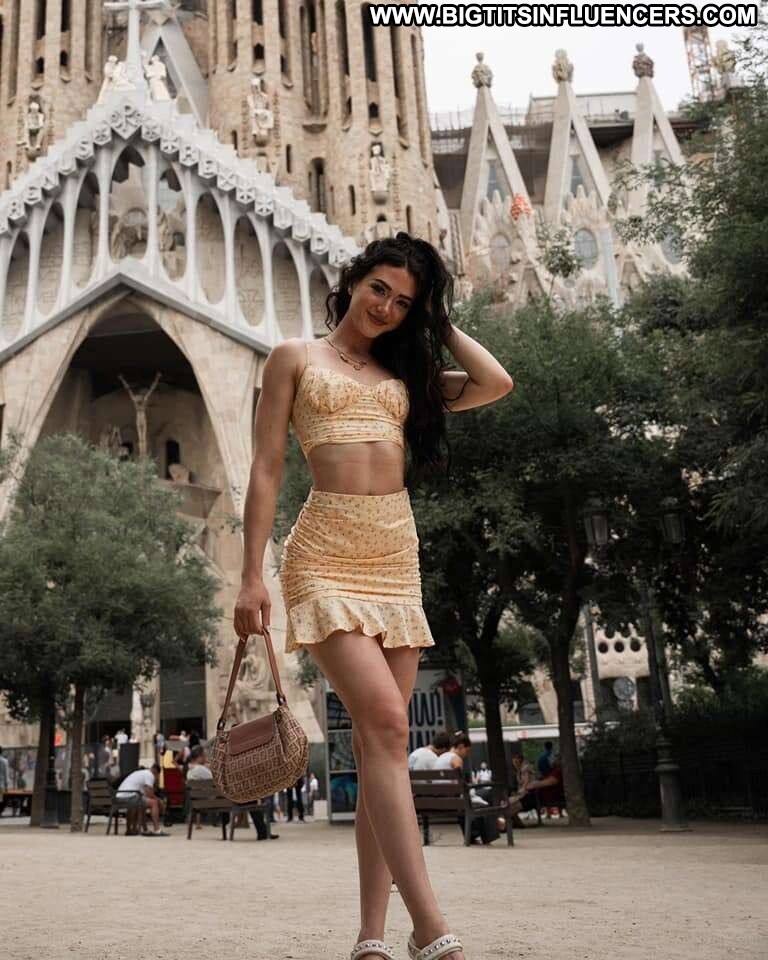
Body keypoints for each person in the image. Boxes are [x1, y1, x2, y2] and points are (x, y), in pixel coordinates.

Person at [234, 232, 513, 960]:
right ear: (353, 281)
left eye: (403, 301)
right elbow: (265, 469)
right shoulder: (295, 357)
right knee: (389, 725)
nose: (386, 306)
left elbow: (494, 383)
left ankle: (370, 936)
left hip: (394, 554)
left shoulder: (405, 375)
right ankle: (430, 927)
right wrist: (250, 575)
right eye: (379, 288)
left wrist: (439, 322)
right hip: (324, 553)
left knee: (377, 747)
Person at [115, 763, 168, 836]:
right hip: (129, 796)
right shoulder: (150, 775)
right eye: (157, 776)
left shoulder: (140, 773)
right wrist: (159, 800)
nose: (156, 778)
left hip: (119, 796)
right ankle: (157, 830)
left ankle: (130, 830)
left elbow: (144, 794)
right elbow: (149, 793)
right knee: (154, 803)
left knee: (141, 804)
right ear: (156, 772)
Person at [0, 746, 10, 817]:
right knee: (0, 799)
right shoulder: (4, 761)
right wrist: (7, 786)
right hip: (1, 784)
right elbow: (6, 774)